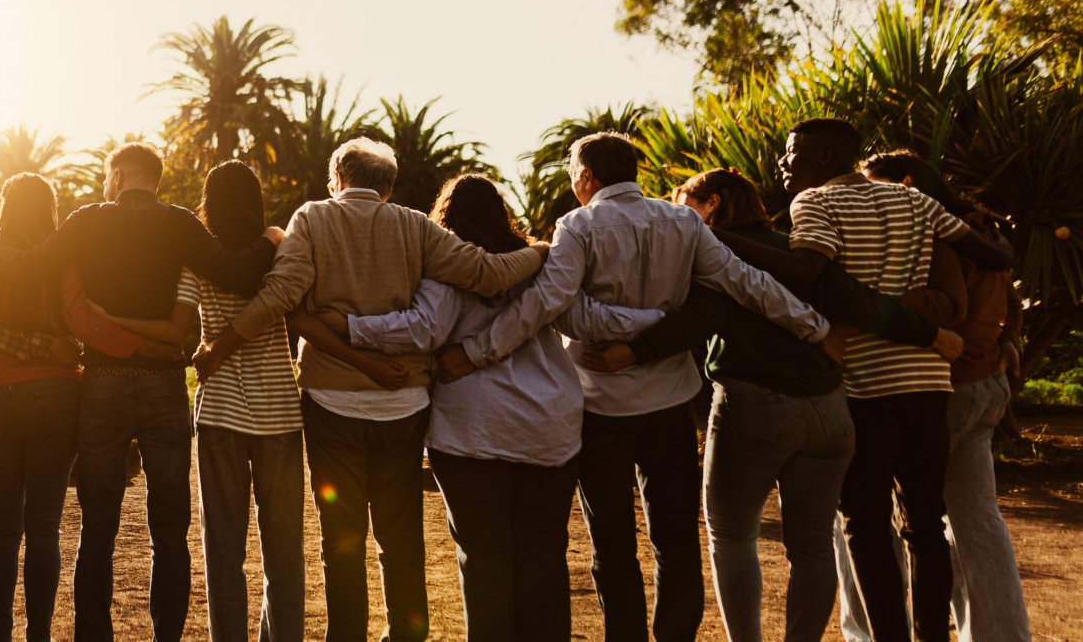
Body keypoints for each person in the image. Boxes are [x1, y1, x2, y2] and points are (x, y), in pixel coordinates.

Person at [453, 134, 832, 642]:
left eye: (572, 171)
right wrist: (815, 327)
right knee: (676, 538)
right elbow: (745, 282)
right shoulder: (682, 222)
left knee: (611, 542)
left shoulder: (577, 226)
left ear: (587, 177)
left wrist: (476, 352)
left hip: (598, 407)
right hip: (670, 403)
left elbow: (547, 303)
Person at [199, 139, 550, 642]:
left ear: (336, 177)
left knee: (341, 539)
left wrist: (221, 345)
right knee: (399, 533)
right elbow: (487, 274)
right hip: (403, 406)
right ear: (386, 186)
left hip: (329, 405)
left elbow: (280, 294)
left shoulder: (311, 219)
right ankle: (407, 634)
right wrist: (538, 251)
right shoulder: (415, 226)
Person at [583, 168, 943, 642]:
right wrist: (933, 334)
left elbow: (702, 314)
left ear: (710, 204)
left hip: (754, 406)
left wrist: (634, 350)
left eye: (682, 200)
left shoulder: (714, 254)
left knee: (732, 538)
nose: (673, 211)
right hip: (829, 411)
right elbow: (861, 301)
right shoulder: (799, 253)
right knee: (812, 547)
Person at [715, 118, 1010, 642]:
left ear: (824, 158)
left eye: (791, 153)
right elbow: (994, 256)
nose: (782, 164)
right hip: (927, 382)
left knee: (867, 526)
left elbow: (809, 274)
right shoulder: (915, 202)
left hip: (863, 384)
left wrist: (717, 239)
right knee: (925, 522)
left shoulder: (816, 204)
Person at [0, 142, 280, 642]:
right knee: (169, 529)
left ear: (117, 176)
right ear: (154, 179)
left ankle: (94, 635)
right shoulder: (181, 223)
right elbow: (235, 271)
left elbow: (30, 264)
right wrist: (270, 237)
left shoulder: (87, 220)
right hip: (163, 386)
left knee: (97, 526)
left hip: (102, 383)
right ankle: (166, 636)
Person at [293, 174, 596, 642]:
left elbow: (423, 330)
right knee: (543, 554)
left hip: (473, 427)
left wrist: (350, 326)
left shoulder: (447, 265)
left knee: (484, 555)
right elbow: (569, 316)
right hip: (548, 424)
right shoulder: (536, 262)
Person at [0, 173, 181, 642]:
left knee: (2, 528)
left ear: (3, 207)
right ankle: (38, 634)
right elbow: (84, 321)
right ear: (50, 210)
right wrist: (142, 345)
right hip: (55, 398)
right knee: (43, 527)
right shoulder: (63, 260)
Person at [96, 161, 306, 642]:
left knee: (223, 550)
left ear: (208, 202)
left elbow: (177, 327)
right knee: (284, 552)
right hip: (278, 414)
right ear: (254, 199)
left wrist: (114, 318)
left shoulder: (197, 260)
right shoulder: (280, 250)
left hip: (220, 414)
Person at [862, 152, 1031, 642]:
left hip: (939, 387)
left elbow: (948, 308)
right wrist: (1009, 341)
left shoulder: (931, 231)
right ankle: (1001, 635)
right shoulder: (980, 229)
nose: (869, 198)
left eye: (875, 186)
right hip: (985, 385)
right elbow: (1012, 295)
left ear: (907, 184)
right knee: (976, 520)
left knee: (891, 521)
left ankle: (869, 632)